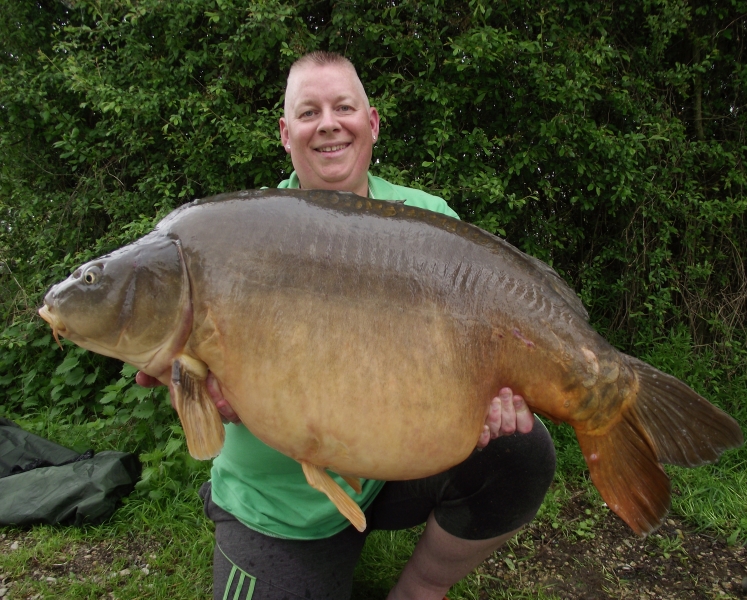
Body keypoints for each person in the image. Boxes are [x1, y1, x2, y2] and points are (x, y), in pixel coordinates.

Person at [138, 51, 556, 600]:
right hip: (281, 503)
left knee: (522, 450)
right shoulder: (237, 238)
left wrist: (493, 390)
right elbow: (199, 416)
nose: (329, 123)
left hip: (396, 464)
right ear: (286, 135)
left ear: (372, 122)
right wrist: (201, 391)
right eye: (309, 113)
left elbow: (478, 342)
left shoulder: (427, 219)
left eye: (343, 107)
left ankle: (421, 589)